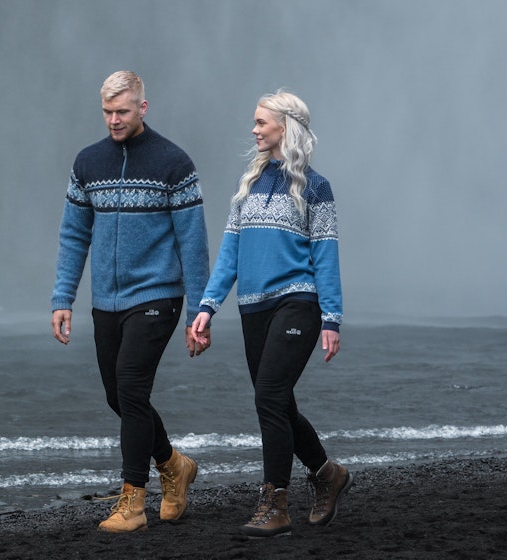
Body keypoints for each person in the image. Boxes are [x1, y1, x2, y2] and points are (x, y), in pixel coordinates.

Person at [50, 70, 210, 533]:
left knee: (132, 387)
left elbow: (193, 242)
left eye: (122, 111)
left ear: (143, 107)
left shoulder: (173, 162)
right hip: (107, 300)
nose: (114, 120)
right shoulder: (88, 163)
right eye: (107, 112)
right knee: (117, 396)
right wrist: (64, 296)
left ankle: (133, 503)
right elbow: (74, 234)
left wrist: (200, 310)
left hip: (159, 294)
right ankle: (174, 465)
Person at [189, 90, 351, 537]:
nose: (254, 129)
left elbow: (326, 257)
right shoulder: (248, 187)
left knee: (268, 398)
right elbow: (229, 257)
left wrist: (332, 319)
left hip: (298, 302)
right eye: (255, 122)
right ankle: (327, 474)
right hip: (252, 308)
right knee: (277, 401)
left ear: (286, 127)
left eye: (262, 122)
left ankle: (275, 503)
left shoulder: (316, 188)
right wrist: (207, 307)